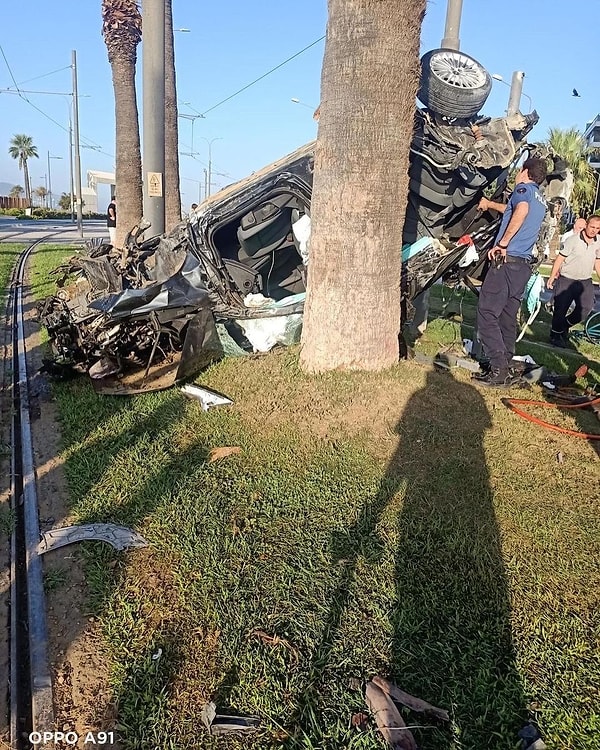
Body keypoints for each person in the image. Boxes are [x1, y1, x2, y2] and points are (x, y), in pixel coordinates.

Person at [474, 157, 548, 386]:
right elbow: (513, 209)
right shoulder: (540, 198)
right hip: (523, 266)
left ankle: (497, 368)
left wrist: (503, 243)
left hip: (507, 261)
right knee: (507, 314)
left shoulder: (521, 189)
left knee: (487, 312)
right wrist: (489, 204)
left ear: (525, 171)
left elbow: (520, 210)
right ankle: (505, 361)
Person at [547, 214, 600, 347]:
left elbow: (597, 261)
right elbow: (560, 259)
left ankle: (565, 325)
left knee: (586, 308)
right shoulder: (573, 240)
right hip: (567, 279)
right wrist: (552, 276)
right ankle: (555, 335)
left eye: (597, 228)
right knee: (560, 309)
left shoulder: (598, 241)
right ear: (586, 225)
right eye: (592, 227)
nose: (594, 230)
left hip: (585, 281)